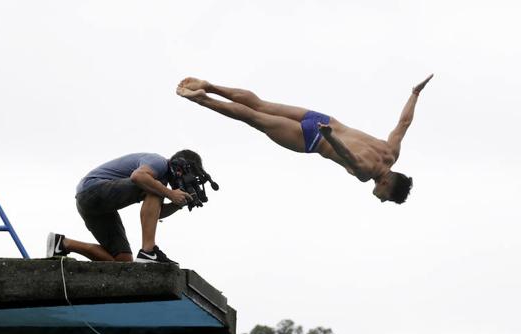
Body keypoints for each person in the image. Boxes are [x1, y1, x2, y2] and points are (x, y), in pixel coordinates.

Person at [176, 74, 433, 203]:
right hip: (314, 138)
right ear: (387, 182)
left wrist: (414, 95)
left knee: (260, 105)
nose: (380, 199)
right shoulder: (368, 173)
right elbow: (348, 155)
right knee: (254, 119)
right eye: (385, 197)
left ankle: (210, 86)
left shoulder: (391, 151)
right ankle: (203, 98)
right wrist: (329, 138)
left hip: (324, 119)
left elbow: (404, 124)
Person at [46, 151, 202, 265]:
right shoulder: (159, 162)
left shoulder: (161, 185)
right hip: (92, 190)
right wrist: (169, 193)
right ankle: (148, 251)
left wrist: (177, 204)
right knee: (156, 185)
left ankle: (64, 243)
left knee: (123, 262)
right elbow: (138, 177)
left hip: (93, 204)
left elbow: (155, 214)